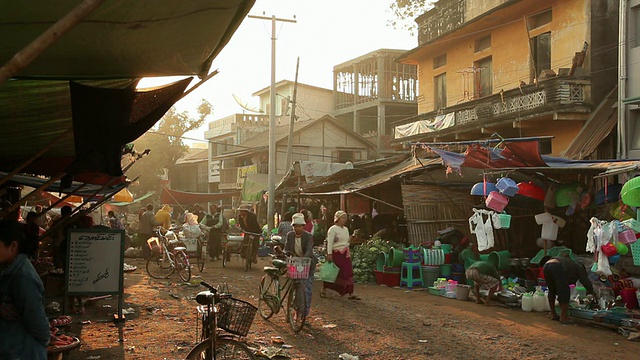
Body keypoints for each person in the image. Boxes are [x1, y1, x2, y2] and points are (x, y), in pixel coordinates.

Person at [0, 219, 50, 359]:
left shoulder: (22, 277)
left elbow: (37, 322)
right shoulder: (9, 271)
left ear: (13, 246)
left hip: (23, 352)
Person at [540, 256, 596, 324]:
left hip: (546, 266)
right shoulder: (580, 267)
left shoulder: (570, 264)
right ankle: (564, 317)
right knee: (565, 292)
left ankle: (553, 314)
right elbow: (585, 281)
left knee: (552, 289)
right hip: (557, 266)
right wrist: (590, 291)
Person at [321, 210, 360, 300]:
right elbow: (330, 242)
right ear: (337, 219)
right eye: (342, 218)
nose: (344, 220)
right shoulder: (332, 229)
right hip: (336, 253)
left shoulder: (346, 229)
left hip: (345, 253)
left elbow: (346, 241)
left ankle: (350, 292)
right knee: (333, 273)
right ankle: (324, 289)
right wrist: (329, 253)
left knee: (348, 272)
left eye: (345, 218)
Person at [284, 213, 317, 316]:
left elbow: (308, 251)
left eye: (300, 226)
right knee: (295, 289)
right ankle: (295, 310)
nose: (298, 228)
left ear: (303, 226)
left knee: (306, 290)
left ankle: (304, 314)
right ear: (293, 226)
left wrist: (303, 259)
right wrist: (287, 256)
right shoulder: (290, 235)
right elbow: (287, 249)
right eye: (295, 226)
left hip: (307, 265)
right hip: (295, 265)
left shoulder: (308, 236)